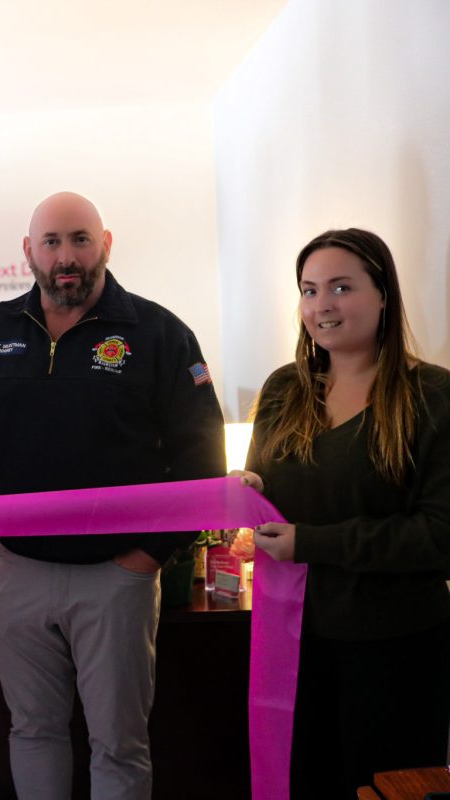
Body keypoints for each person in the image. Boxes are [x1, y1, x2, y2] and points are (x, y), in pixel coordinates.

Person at [0, 192, 225, 799]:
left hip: (116, 576)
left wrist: (146, 559)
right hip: (17, 572)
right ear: (29, 252)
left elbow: (202, 460)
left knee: (119, 744)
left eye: (80, 240)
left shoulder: (161, 334)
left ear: (105, 244)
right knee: (33, 731)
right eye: (52, 242)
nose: (67, 257)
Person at [237, 229, 450, 798]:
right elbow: (268, 500)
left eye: (340, 287)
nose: (321, 306)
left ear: (384, 294)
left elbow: (438, 536)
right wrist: (248, 491)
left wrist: (312, 543)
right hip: (293, 645)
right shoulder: (285, 390)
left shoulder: (432, 397)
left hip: (394, 649)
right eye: (309, 290)